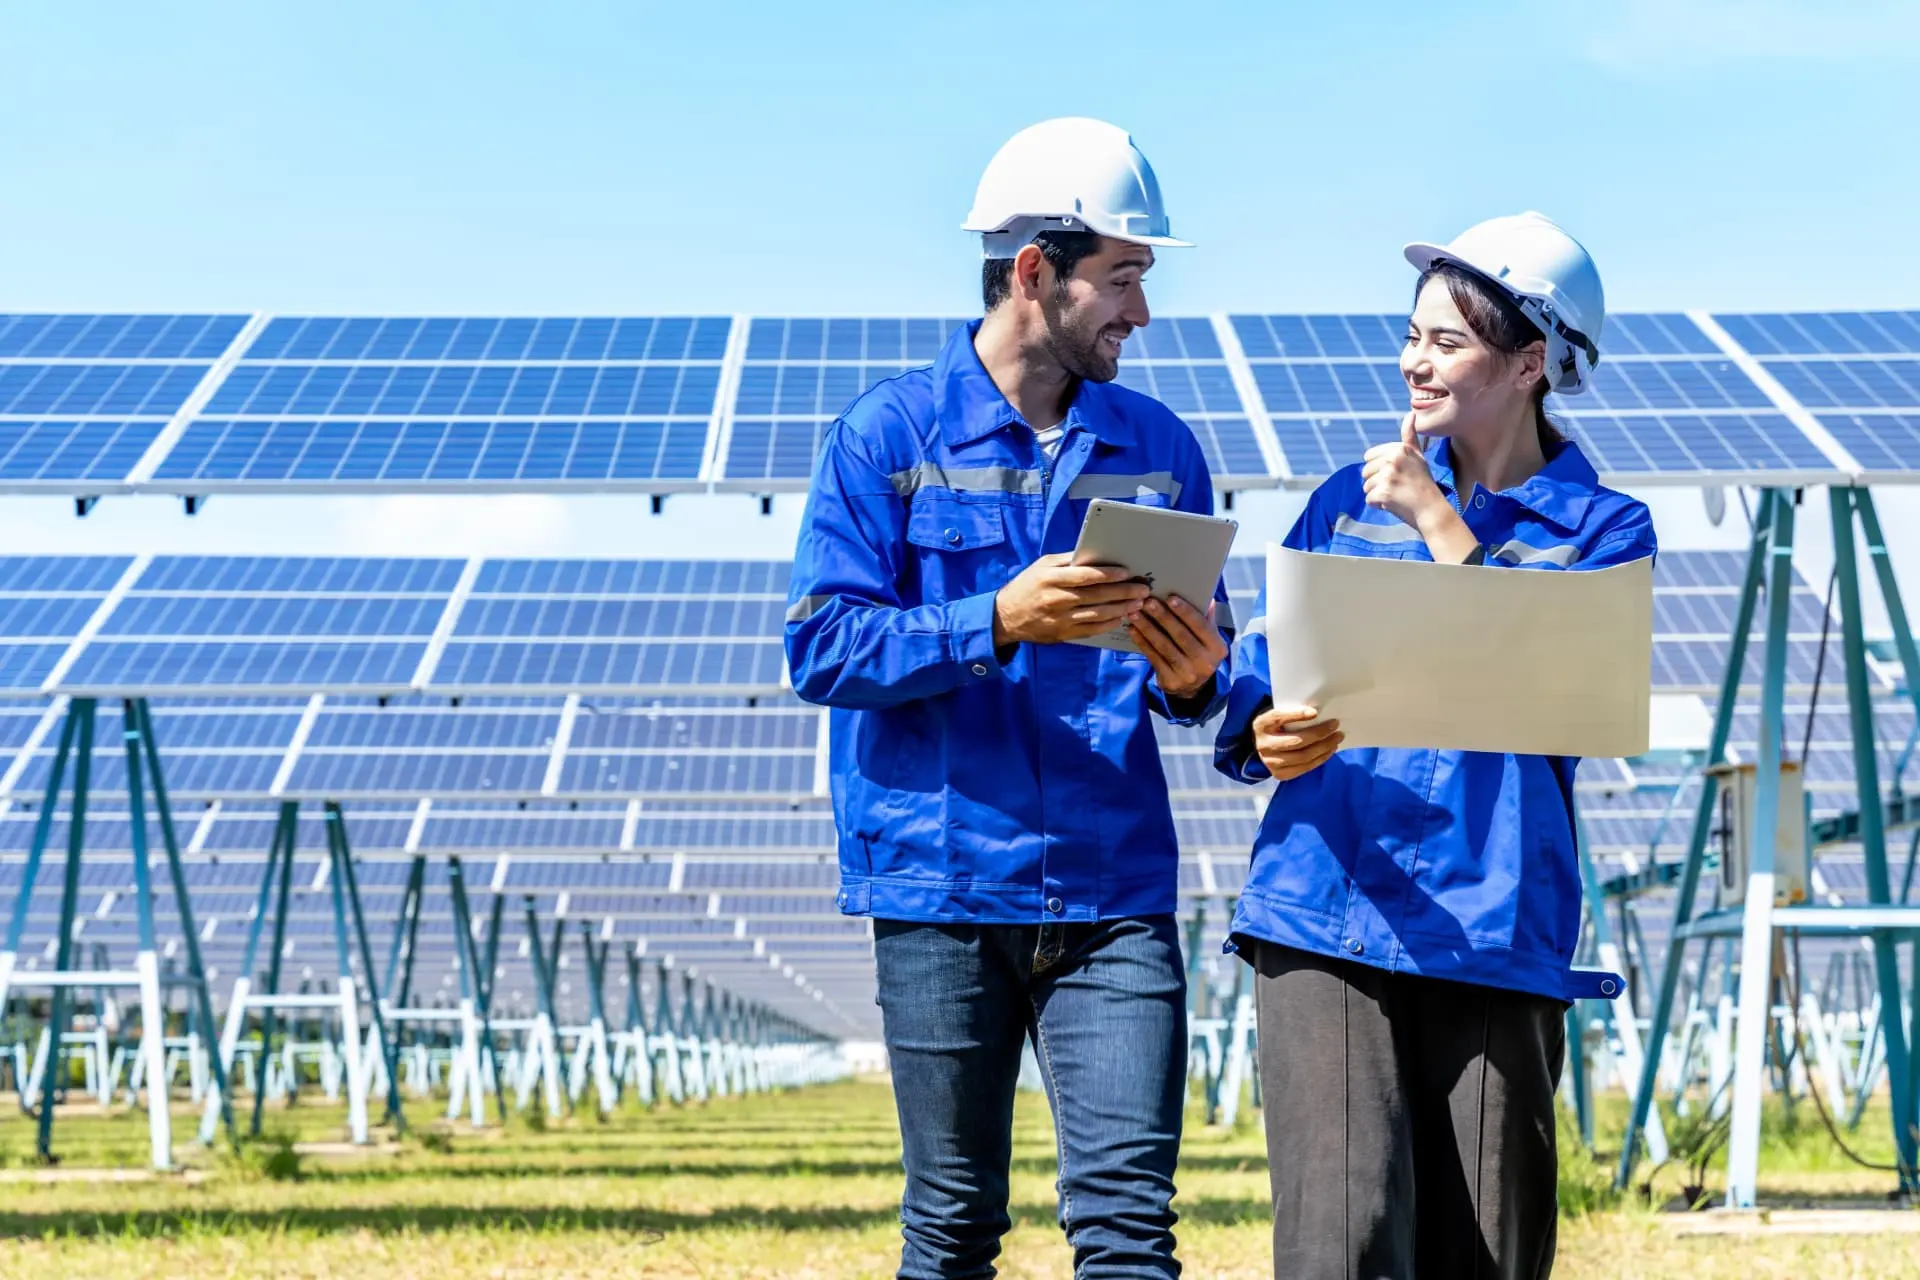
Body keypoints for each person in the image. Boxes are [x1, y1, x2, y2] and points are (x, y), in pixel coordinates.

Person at [785, 117, 1234, 1279]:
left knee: (1130, 1231)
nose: (1141, 310)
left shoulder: (1162, 446)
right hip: (940, 885)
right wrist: (994, 619)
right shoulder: (884, 436)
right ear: (1035, 271)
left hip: (1112, 886)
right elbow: (824, 646)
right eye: (1123, 278)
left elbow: (1200, 671)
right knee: (951, 1226)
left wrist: (1196, 674)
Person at [1213, 212, 1657, 1280]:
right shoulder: (1341, 502)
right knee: (1342, 1240)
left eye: (1447, 342)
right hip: (1325, 906)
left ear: (1532, 363)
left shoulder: (1605, 532)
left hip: (1491, 923)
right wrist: (1259, 723)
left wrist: (1440, 528)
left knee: (1489, 1251)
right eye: (1410, 336)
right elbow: (1266, 672)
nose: (1414, 360)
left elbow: (1552, 684)